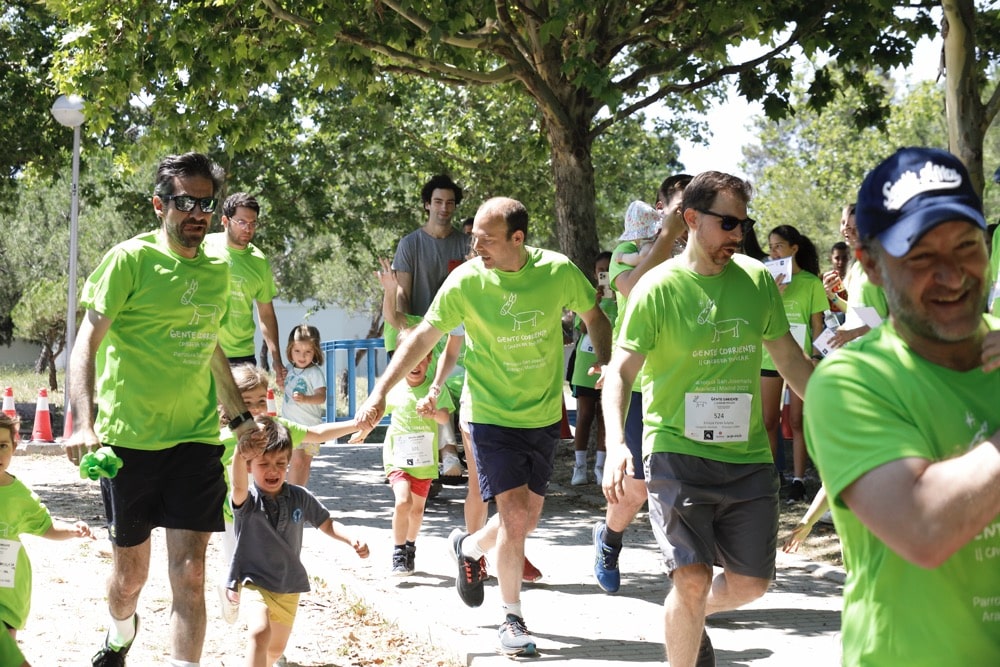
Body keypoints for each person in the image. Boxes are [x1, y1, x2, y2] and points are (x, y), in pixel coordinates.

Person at [356, 196, 612, 657]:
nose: (476, 247)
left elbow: (595, 316)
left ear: (518, 238)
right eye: (474, 237)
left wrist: (608, 362)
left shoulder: (557, 271)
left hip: (540, 414)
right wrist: (379, 392)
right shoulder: (466, 281)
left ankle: (470, 548)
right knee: (513, 517)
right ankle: (512, 618)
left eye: (487, 239)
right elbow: (421, 337)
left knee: (527, 518)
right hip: (489, 414)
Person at [602, 171, 814, 666]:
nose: (738, 235)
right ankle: (688, 610)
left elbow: (790, 360)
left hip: (747, 457)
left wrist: (843, 416)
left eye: (744, 224)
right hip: (676, 450)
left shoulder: (757, 281)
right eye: (728, 223)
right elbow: (620, 372)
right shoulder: (656, 287)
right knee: (692, 578)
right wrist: (616, 443)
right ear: (692, 219)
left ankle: (689, 614)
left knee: (751, 584)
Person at [805, 146, 1000, 665]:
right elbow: (925, 528)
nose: (953, 275)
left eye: (967, 246)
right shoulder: (852, 382)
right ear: (870, 263)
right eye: (921, 257)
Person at [64, 152, 259, 667]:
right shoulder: (129, 260)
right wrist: (83, 422)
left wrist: (240, 419)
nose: (197, 213)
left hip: (195, 439)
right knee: (130, 578)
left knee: (190, 572)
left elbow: (210, 345)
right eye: (184, 202)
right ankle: (119, 631)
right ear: (159, 205)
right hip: (129, 441)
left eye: (206, 204)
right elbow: (86, 344)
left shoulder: (218, 270)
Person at [593, 173, 690, 594]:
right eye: (683, 206)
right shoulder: (628, 251)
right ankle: (609, 540)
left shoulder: (702, 252)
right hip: (638, 383)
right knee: (635, 489)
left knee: (685, 481)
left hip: (686, 382)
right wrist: (667, 239)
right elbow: (632, 290)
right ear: (662, 208)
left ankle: (691, 573)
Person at [216, 364, 362, 624]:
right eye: (246, 402)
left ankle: (264, 617)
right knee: (235, 568)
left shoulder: (277, 429)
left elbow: (317, 433)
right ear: (228, 405)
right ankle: (230, 592)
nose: (255, 409)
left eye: (261, 401)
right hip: (232, 517)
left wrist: (355, 424)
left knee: (263, 568)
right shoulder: (221, 439)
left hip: (271, 517)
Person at [228, 416, 369, 667]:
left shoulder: (300, 496)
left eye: (280, 463)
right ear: (249, 466)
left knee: (274, 651)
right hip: (253, 582)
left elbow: (326, 523)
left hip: (288, 585)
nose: (273, 470)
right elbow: (237, 486)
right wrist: (240, 453)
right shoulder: (247, 500)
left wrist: (350, 538)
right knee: (259, 633)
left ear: (289, 462)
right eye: (264, 463)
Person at [0, 415, 94, 643]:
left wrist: (71, 530)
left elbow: (46, 526)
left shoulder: (19, 495)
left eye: (2, 445)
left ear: (14, 446)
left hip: (7, 592)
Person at [760, 225, 826, 501]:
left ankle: (799, 480)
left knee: (797, 421)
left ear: (794, 248)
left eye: (779, 246)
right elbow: (758, 316)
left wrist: (816, 356)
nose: (774, 252)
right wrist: (772, 292)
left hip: (800, 359)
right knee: (768, 421)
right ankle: (771, 479)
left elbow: (817, 325)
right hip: (768, 358)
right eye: (771, 247)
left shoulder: (811, 283)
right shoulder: (765, 280)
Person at [384, 329, 455, 575]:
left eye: (420, 358)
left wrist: (434, 413)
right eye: (409, 358)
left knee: (416, 510)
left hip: (424, 462)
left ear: (429, 359)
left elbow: (445, 417)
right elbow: (376, 411)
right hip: (397, 460)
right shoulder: (393, 387)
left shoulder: (435, 389)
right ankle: (398, 552)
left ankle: (410, 547)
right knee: (403, 502)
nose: (415, 365)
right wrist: (362, 431)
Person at [204, 192, 286, 387]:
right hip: (203, 350)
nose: (248, 228)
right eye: (241, 222)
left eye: (253, 223)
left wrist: (276, 360)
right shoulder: (203, 247)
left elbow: (266, 314)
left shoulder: (259, 262)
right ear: (225, 221)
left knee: (243, 408)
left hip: (241, 355)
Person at [570, 251, 617, 485]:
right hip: (585, 365)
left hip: (611, 362)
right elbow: (582, 327)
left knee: (605, 416)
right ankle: (579, 468)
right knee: (585, 414)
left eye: (609, 269)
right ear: (594, 273)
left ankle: (600, 467)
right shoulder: (587, 297)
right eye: (601, 270)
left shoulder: (623, 296)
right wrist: (595, 303)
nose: (605, 274)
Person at [827, 203, 889, 347]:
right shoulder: (856, 266)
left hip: (881, 352)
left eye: (855, 227)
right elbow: (857, 312)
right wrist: (832, 296)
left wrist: (853, 333)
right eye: (844, 224)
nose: (848, 231)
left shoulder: (881, 263)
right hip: (859, 351)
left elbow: (894, 319)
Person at [282, 324, 327, 486]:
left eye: (308, 351)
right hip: (292, 425)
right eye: (297, 351)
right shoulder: (288, 369)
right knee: (297, 461)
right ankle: (291, 493)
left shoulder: (315, 372)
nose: (302, 356)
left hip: (312, 427)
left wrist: (306, 399)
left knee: (305, 463)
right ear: (290, 350)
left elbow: (321, 397)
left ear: (315, 351)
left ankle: (300, 492)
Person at [825, 241, 850, 315]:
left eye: (844, 258)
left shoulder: (855, 280)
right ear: (831, 258)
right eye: (837, 258)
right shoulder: (824, 280)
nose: (841, 262)